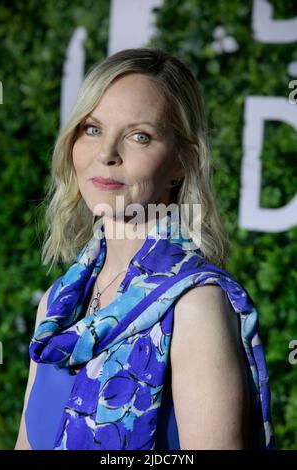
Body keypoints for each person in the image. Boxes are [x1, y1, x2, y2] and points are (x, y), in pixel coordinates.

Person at [15, 47, 275, 450]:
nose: (106, 155)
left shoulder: (194, 306)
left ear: (181, 162)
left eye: (139, 136)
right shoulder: (56, 306)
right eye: (92, 128)